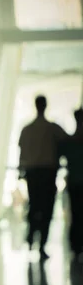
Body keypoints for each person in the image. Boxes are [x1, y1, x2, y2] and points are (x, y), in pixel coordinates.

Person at [18, 95, 69, 260]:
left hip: (33, 174)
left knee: (34, 207)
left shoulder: (28, 130)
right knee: (46, 208)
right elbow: (66, 144)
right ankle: (41, 243)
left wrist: (22, 172)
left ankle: (32, 237)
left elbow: (22, 154)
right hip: (47, 173)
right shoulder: (53, 129)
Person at [59, 107, 83, 261]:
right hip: (76, 182)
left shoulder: (70, 141)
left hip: (74, 182)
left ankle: (76, 246)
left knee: (75, 214)